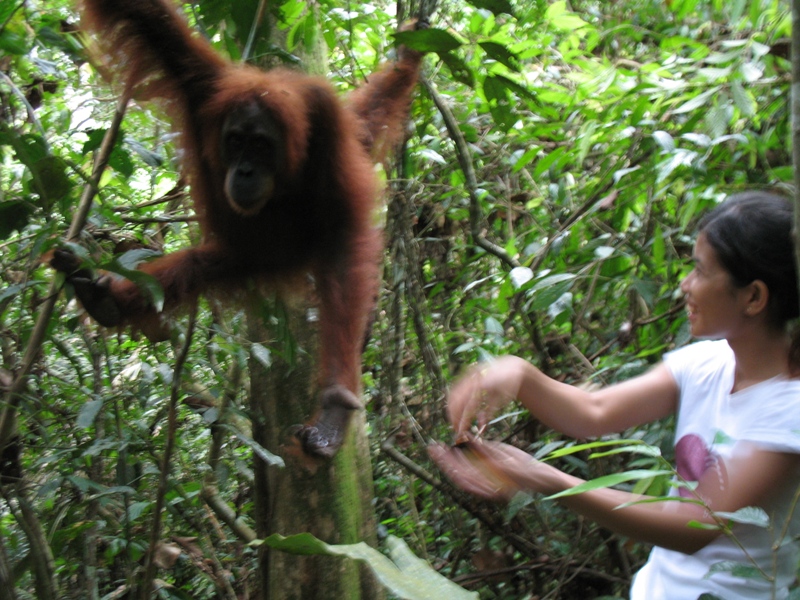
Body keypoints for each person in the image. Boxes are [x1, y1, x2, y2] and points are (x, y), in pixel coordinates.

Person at [429, 191, 800, 600]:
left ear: (753, 297)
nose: (685, 285)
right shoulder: (707, 364)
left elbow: (694, 526)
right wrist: (518, 373)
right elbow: (595, 411)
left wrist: (543, 477)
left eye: (699, 270)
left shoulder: (788, 409)